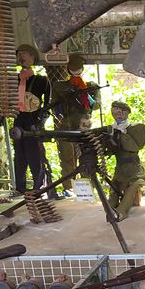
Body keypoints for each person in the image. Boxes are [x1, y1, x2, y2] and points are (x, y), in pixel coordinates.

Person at [49, 53, 99, 189]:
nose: (76, 71)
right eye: (73, 68)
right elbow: (54, 106)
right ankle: (68, 187)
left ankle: (87, 187)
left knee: (86, 156)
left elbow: (96, 106)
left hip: (85, 123)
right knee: (67, 157)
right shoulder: (60, 86)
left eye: (78, 68)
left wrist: (85, 93)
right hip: (66, 123)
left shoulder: (90, 86)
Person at [13, 45, 51, 194]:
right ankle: (20, 187)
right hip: (18, 119)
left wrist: (41, 122)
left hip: (34, 120)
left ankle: (38, 186)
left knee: (35, 154)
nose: (21, 57)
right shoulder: (14, 80)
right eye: (19, 54)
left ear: (33, 57)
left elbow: (48, 104)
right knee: (19, 154)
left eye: (25, 54)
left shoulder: (42, 81)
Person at [106, 100, 145, 220]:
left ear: (127, 113)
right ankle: (111, 211)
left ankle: (122, 212)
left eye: (121, 111)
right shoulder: (110, 129)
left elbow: (135, 147)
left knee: (133, 186)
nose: (118, 113)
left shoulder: (136, 128)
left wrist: (121, 133)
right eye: (115, 110)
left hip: (134, 169)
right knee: (113, 193)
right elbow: (109, 151)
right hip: (120, 169)